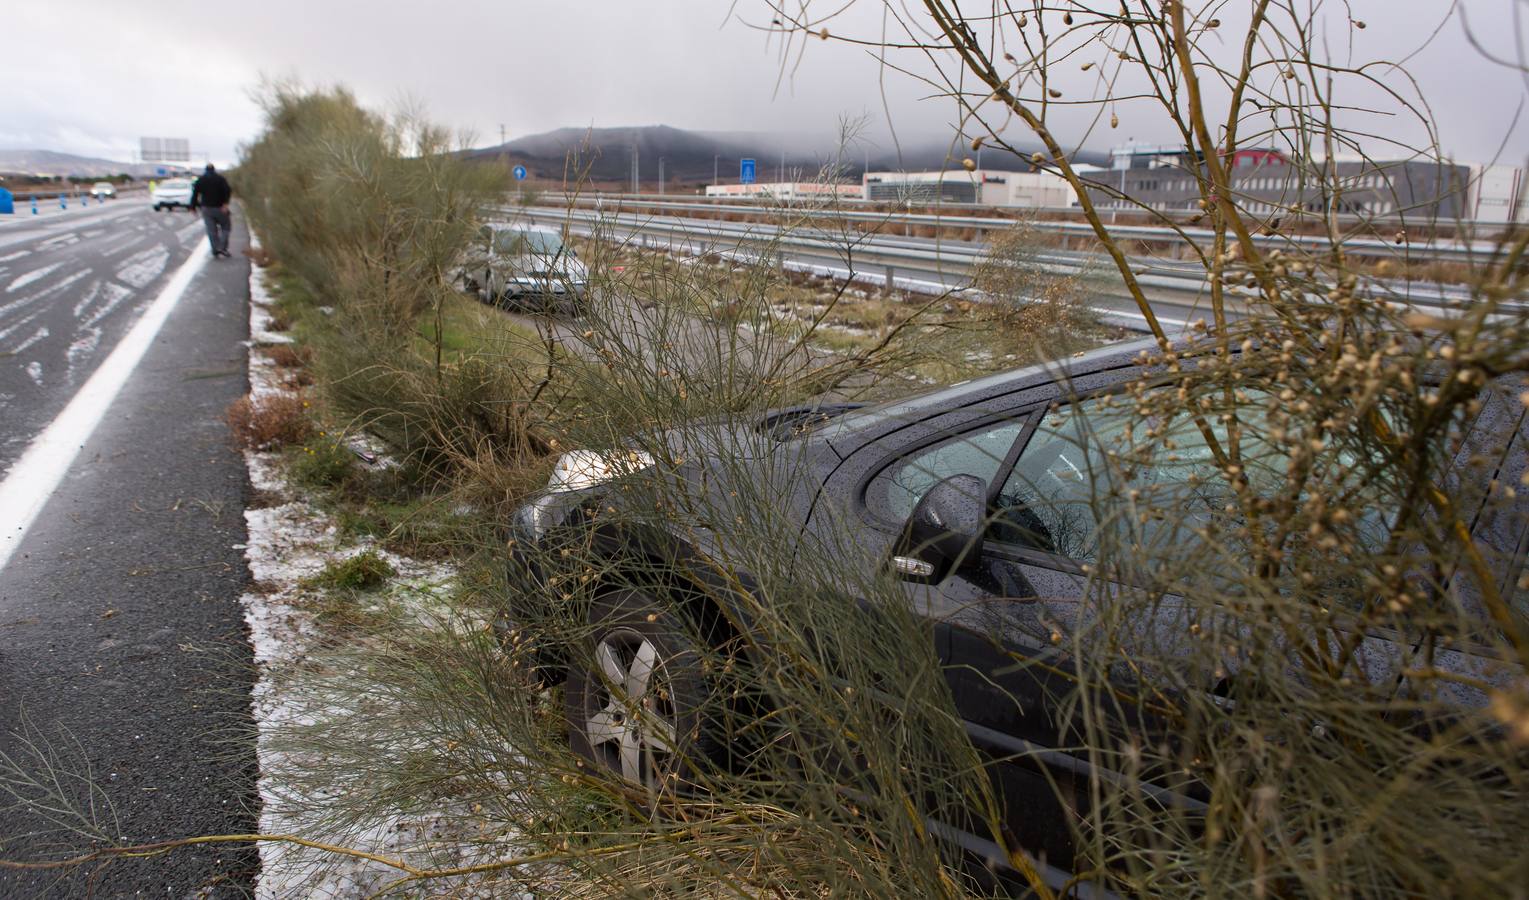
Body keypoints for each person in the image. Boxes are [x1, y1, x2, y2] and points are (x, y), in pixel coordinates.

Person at [190, 164, 233, 258]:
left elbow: (195, 194)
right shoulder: (220, 179)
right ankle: (222, 247)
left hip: (206, 209)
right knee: (226, 227)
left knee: (211, 230)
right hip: (220, 208)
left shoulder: (201, 180)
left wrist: (193, 207)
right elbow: (228, 190)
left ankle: (215, 249)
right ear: (214, 170)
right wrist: (225, 203)